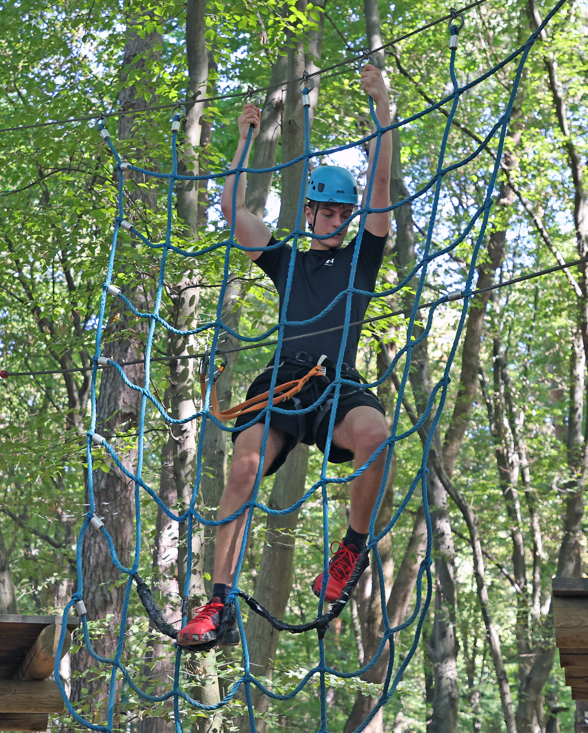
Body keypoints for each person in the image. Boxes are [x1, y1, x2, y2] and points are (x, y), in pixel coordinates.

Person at [178, 65, 394, 646]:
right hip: (285, 382)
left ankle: (351, 552)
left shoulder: (361, 260)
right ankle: (216, 604)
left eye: (342, 214)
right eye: (327, 211)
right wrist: (245, 142)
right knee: (243, 469)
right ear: (309, 214)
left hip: (338, 385)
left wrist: (383, 109)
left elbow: (379, 192)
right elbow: (233, 212)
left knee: (376, 431)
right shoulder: (287, 259)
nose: (337, 220)